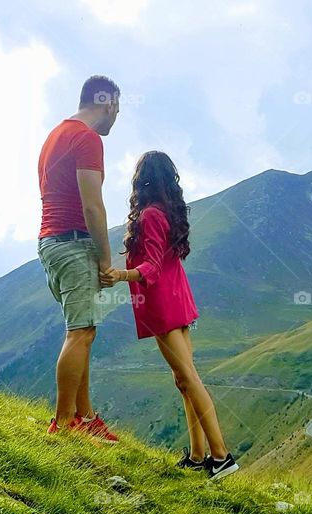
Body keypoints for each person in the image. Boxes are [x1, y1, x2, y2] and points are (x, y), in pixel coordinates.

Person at [100, 151, 239, 479]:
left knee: (189, 378)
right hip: (177, 299)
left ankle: (221, 457)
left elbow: (151, 267)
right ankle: (196, 455)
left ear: (142, 178)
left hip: (161, 305)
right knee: (184, 379)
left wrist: (119, 275)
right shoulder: (168, 212)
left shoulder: (149, 215)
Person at [37, 75, 120, 443]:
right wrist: (105, 259)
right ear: (109, 104)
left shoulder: (55, 135)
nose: (116, 118)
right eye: (117, 109)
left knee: (82, 329)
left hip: (50, 241)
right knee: (81, 332)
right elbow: (92, 204)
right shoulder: (87, 139)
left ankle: (85, 417)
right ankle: (65, 423)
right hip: (73, 243)